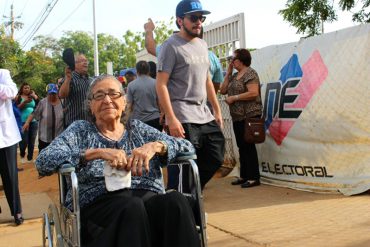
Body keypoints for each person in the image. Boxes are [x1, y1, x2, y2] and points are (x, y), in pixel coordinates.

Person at [35, 75, 200, 247]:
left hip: (148, 200)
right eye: (99, 96)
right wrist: (95, 153)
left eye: (114, 94)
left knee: (176, 201)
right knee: (132, 207)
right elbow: (44, 161)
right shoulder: (80, 131)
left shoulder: (138, 129)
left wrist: (157, 146)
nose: (107, 100)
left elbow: (188, 147)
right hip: (99, 206)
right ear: (90, 106)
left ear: (124, 102)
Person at [156, 0, 225, 190]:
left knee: (216, 155)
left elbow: (207, 80)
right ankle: (181, 202)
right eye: (193, 18)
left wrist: (217, 110)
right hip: (182, 115)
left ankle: (190, 193)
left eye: (201, 18)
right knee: (184, 166)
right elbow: (161, 84)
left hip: (204, 115)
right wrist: (171, 118)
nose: (198, 22)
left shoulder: (202, 44)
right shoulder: (170, 46)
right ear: (180, 20)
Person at [144, 17, 224, 93]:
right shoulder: (213, 57)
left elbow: (150, 47)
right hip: (205, 104)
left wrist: (149, 30)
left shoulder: (175, 49)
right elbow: (216, 84)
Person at [219, 48, 262, 188]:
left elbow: (253, 93)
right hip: (237, 117)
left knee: (248, 146)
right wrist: (228, 73)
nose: (231, 61)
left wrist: (235, 97)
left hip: (249, 115)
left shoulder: (250, 73)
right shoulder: (234, 76)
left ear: (241, 60)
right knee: (241, 146)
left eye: (234, 59)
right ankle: (244, 175)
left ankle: (254, 177)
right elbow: (223, 90)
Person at [0, 69, 24, 225]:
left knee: (10, 176)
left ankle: (16, 211)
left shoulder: (3, 74)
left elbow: (12, 91)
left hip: (5, 136)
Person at [23, 83, 64, 153]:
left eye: (54, 94)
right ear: (47, 93)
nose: (52, 96)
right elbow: (33, 114)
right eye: (50, 94)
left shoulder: (62, 102)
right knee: (43, 157)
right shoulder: (43, 102)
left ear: (57, 93)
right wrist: (27, 123)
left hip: (59, 137)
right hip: (44, 138)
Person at [58, 53, 92, 128]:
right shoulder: (70, 78)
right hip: (73, 125)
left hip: (90, 124)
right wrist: (68, 78)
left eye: (86, 61)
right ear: (75, 64)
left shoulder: (91, 80)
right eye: (82, 61)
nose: (86, 63)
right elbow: (62, 95)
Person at [126, 61, 162, 131]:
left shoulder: (131, 85)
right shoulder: (156, 83)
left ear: (137, 71)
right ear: (149, 70)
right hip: (155, 119)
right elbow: (160, 102)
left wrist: (125, 121)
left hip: (139, 121)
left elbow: (129, 105)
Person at [15, 82, 39, 163]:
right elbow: (16, 108)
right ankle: (22, 155)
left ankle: (30, 158)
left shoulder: (32, 96)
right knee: (24, 140)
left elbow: (39, 105)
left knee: (32, 140)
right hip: (22, 122)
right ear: (22, 89)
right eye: (25, 88)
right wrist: (24, 102)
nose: (27, 89)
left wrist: (35, 97)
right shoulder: (18, 97)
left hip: (34, 121)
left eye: (28, 87)